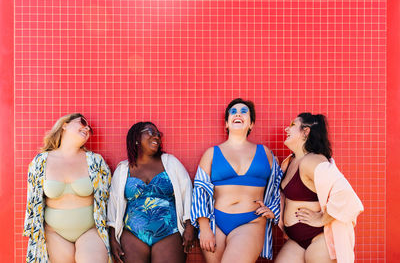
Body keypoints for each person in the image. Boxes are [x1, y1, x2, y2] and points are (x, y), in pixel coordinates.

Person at [190, 98, 283, 263]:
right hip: (216, 223)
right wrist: (204, 228)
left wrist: (273, 210)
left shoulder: (265, 153)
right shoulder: (211, 153)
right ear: (226, 123)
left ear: (251, 124)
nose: (238, 114)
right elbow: (200, 191)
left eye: (243, 112)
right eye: (233, 112)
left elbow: (278, 186)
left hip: (250, 221)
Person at [23, 113, 112, 263]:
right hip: (55, 233)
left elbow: (109, 199)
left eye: (89, 128)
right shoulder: (40, 162)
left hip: (90, 231)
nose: (87, 128)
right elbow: (33, 203)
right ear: (64, 125)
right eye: (82, 122)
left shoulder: (96, 161)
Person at [276, 113, 364, 263]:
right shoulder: (290, 162)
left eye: (292, 125)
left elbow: (347, 196)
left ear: (306, 131)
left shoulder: (312, 161)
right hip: (296, 241)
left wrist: (322, 218)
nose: (286, 129)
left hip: (318, 239)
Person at [107, 122, 195, 263]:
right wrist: (112, 240)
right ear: (136, 138)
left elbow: (187, 193)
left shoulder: (171, 163)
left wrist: (190, 227)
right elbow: (113, 205)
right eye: (150, 132)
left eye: (158, 134)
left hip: (169, 232)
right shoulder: (123, 169)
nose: (156, 136)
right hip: (132, 235)